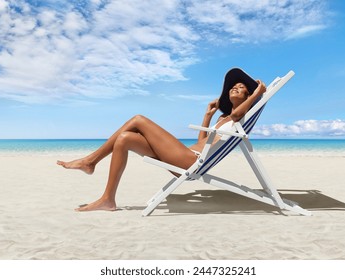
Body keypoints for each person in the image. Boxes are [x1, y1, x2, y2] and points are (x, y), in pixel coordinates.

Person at [57, 68, 266, 212]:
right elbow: (204, 141)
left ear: (248, 97)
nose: (234, 88)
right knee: (124, 139)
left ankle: (90, 161)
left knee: (138, 119)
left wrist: (258, 93)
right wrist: (207, 115)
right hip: (187, 157)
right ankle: (107, 199)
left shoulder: (241, 115)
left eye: (241, 88)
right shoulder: (223, 118)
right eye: (233, 86)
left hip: (190, 161)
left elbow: (238, 115)